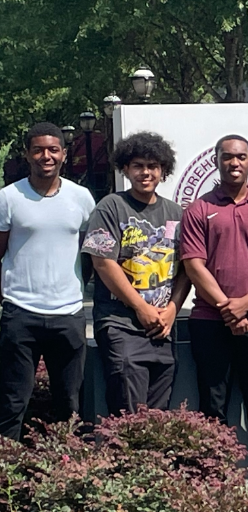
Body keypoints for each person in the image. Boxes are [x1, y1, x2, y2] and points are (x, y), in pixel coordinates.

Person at [180, 134, 248, 490]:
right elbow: (194, 265)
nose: (234, 163)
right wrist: (229, 308)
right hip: (210, 323)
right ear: (216, 161)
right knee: (213, 407)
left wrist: (245, 305)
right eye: (227, 157)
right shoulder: (199, 209)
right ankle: (214, 485)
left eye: (241, 157)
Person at [81, 132, 191, 415]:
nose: (146, 172)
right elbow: (103, 262)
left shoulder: (176, 213)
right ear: (125, 169)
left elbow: (187, 269)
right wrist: (140, 307)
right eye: (138, 165)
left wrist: (172, 310)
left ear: (163, 171)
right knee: (128, 411)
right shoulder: (110, 207)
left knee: (158, 414)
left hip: (163, 329)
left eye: (153, 166)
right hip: (120, 324)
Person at [0, 122, 95, 440]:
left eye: (53, 149)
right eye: (38, 149)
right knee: (13, 402)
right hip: (20, 313)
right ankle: (7, 477)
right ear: (27, 154)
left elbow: (91, 252)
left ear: (64, 155)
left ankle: (64, 474)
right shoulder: (9, 198)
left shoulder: (81, 198)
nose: (46, 156)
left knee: (69, 404)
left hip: (68, 314)